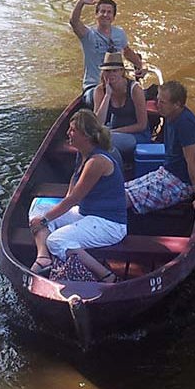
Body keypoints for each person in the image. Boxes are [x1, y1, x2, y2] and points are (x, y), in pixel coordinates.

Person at [28, 109, 127, 281]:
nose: (68, 133)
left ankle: (106, 275)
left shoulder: (97, 161)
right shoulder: (82, 155)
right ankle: (43, 257)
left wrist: (45, 221)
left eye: (73, 130)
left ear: (86, 136)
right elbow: (70, 194)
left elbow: (74, 198)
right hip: (86, 214)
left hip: (108, 224)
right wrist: (49, 215)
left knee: (56, 240)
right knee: (39, 205)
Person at [123, 81, 195, 215]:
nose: (157, 105)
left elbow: (192, 160)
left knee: (126, 198)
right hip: (166, 172)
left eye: (162, 102)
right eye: (157, 100)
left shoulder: (184, 124)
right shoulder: (170, 116)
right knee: (122, 189)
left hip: (181, 182)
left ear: (177, 104)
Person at [69, 0, 146, 107]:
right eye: (102, 11)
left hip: (118, 85)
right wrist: (81, 2)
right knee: (104, 100)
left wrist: (140, 65)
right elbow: (74, 22)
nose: (105, 15)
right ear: (96, 15)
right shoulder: (88, 35)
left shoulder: (119, 34)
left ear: (113, 17)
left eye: (109, 12)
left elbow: (127, 51)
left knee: (140, 97)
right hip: (94, 87)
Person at [93, 51, 150, 163]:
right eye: (108, 71)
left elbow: (142, 125)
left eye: (115, 70)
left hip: (136, 135)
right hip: (113, 131)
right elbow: (98, 123)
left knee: (104, 141)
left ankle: (117, 173)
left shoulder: (135, 89)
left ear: (121, 71)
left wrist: (114, 131)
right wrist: (107, 95)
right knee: (94, 138)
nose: (111, 74)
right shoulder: (100, 90)